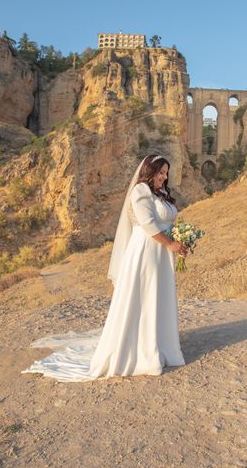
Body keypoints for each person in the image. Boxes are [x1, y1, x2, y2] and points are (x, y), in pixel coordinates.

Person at [22, 154, 187, 382]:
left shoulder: (160, 194)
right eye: (160, 172)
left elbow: (168, 221)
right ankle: (140, 352)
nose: (164, 177)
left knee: (158, 297)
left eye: (166, 173)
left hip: (161, 254)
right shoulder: (140, 191)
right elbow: (148, 224)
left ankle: (160, 344)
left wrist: (179, 241)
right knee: (145, 297)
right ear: (149, 172)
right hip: (146, 253)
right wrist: (170, 243)